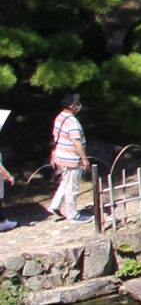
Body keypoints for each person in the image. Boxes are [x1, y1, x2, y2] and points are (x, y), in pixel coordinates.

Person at [45, 93, 87, 224]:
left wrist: (53, 153)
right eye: (77, 103)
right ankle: (73, 215)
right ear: (73, 106)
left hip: (60, 156)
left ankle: (54, 206)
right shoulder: (73, 122)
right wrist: (84, 159)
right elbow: (76, 143)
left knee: (65, 182)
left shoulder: (59, 117)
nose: (79, 105)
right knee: (72, 187)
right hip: (71, 159)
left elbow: (55, 138)